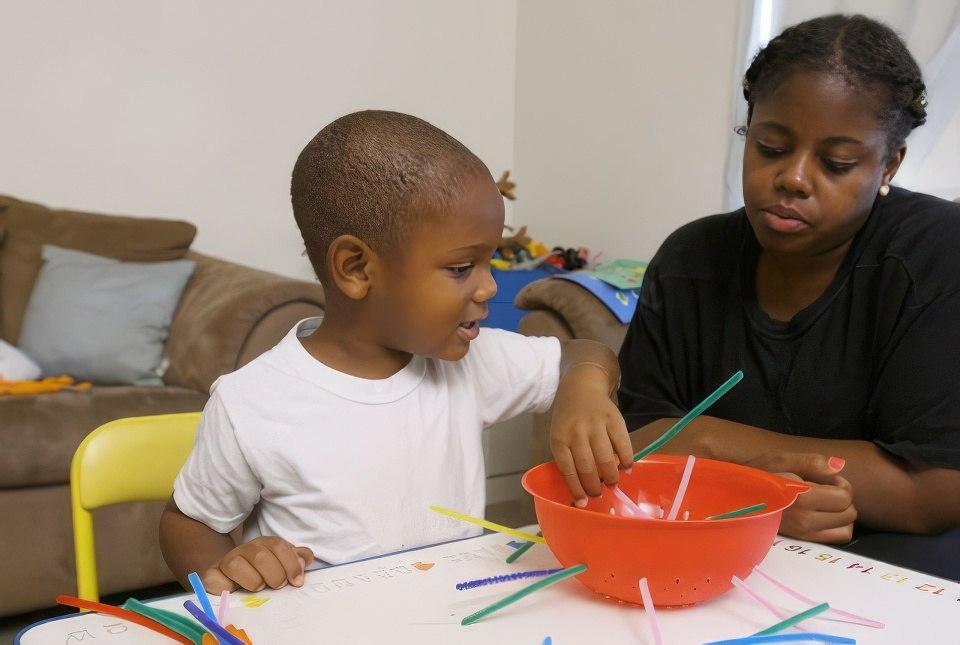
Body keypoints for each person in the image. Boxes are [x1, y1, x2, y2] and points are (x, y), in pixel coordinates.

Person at [160, 110, 633, 594]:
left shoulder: (470, 362)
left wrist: (584, 388)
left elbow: (583, 353)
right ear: (357, 268)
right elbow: (189, 525)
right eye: (462, 267)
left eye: (490, 261)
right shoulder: (252, 404)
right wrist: (235, 566)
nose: (490, 286)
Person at [619, 15, 960, 549]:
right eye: (771, 147)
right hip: (722, 539)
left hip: (901, 562)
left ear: (889, 164)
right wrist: (759, 493)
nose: (793, 179)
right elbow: (642, 451)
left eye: (837, 162)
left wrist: (706, 441)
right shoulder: (690, 260)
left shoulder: (937, 254)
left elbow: (934, 493)